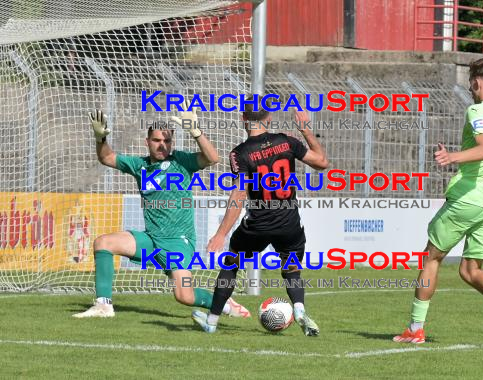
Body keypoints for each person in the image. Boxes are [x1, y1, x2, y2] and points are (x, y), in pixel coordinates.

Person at [393, 57, 483, 351]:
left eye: (471, 84)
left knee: (431, 258)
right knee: (470, 270)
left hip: (469, 197)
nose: (470, 89)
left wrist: (452, 157)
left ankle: (415, 329)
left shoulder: (477, 109)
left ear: (476, 83)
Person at [73, 101, 250, 319]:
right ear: (147, 142)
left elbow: (213, 158)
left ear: (172, 142)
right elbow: (107, 157)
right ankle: (103, 306)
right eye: (156, 140)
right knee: (103, 243)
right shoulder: (140, 165)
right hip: (152, 240)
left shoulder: (182, 161)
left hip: (178, 241)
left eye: (166, 140)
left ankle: (225, 305)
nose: (162, 145)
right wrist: (100, 138)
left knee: (184, 296)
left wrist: (196, 132)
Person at [191, 97, 329, 335]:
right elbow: (322, 163)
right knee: (291, 266)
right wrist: (305, 129)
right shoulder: (287, 142)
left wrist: (221, 233)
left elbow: (239, 194)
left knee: (232, 262)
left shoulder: (240, 153)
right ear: (269, 118)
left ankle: (212, 321)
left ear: (243, 118)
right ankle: (299, 310)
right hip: (289, 220)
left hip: (259, 223)